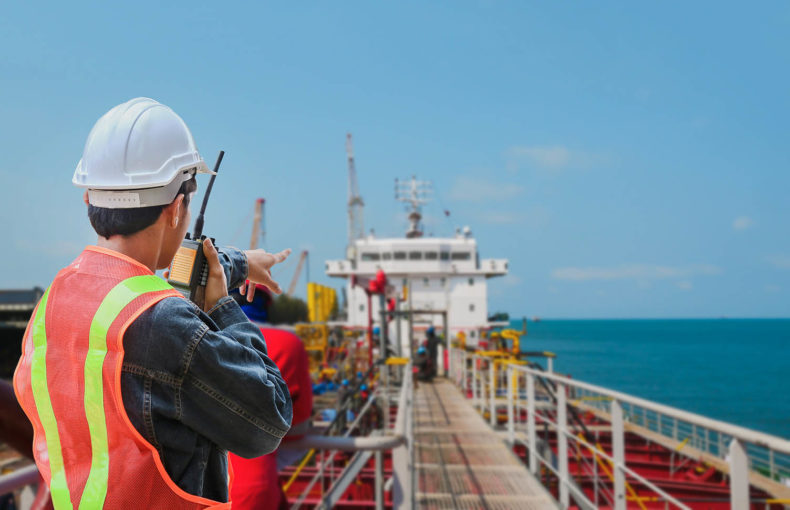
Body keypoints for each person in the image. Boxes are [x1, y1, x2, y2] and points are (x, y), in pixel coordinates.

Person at [13, 98, 292, 509]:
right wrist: (224, 309)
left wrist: (241, 264)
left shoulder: (57, 298)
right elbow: (268, 418)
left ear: (89, 199)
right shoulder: (163, 323)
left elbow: (161, 279)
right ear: (177, 207)